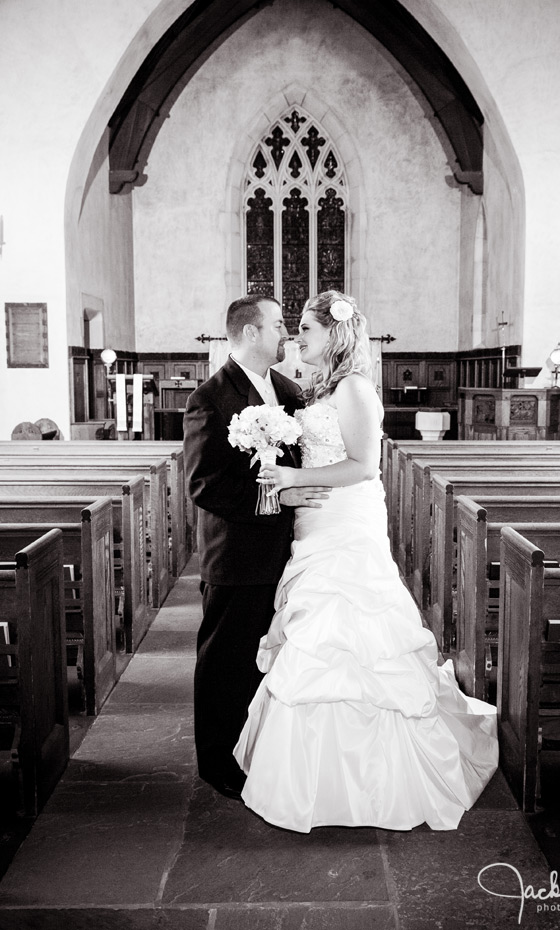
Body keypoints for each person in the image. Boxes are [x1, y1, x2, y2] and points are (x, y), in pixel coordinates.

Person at [234, 290, 498, 832]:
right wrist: (285, 487)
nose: (295, 336)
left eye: (305, 327)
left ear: (333, 334)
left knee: (352, 636)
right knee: (316, 638)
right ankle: (319, 783)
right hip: (315, 523)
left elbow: (362, 468)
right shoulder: (317, 388)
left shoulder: (354, 390)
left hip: (346, 525)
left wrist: (294, 478)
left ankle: (374, 784)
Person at [183, 295, 330, 799]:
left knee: (269, 657)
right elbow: (204, 484)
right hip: (238, 555)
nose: (286, 333)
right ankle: (218, 762)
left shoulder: (288, 390)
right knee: (227, 659)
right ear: (249, 333)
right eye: (278, 325)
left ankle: (259, 750)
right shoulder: (212, 397)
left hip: (289, 550)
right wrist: (277, 495)